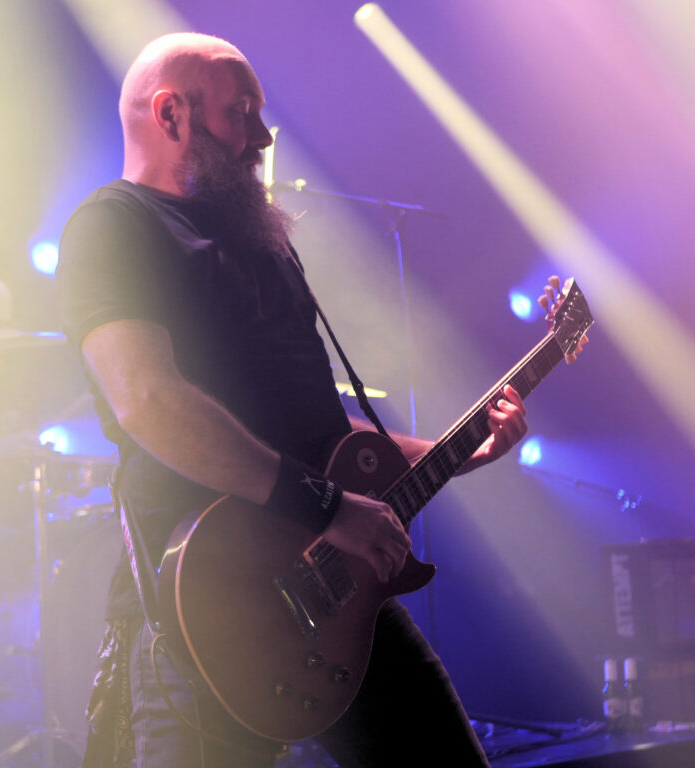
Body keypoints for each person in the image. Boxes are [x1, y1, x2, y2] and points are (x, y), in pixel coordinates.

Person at [57, 32, 528, 768]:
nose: (264, 137)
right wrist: (329, 508)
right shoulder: (114, 225)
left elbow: (322, 429)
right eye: (241, 113)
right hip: (206, 607)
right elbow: (148, 400)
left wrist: (461, 450)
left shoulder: (264, 244)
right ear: (171, 113)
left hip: (337, 589)